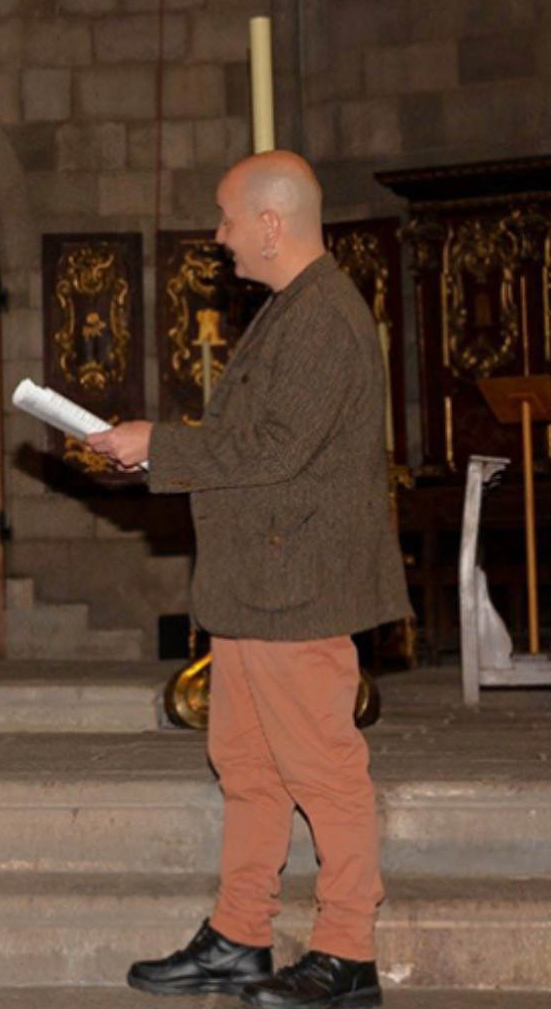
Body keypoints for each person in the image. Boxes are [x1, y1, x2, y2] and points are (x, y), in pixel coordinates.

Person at [89, 152, 408, 1009]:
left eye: (229, 219)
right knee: (249, 766)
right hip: (260, 582)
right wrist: (156, 449)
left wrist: (160, 443)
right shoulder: (292, 308)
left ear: (271, 223)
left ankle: (348, 952)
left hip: (296, 583)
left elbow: (276, 449)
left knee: (322, 770)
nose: (220, 236)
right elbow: (261, 442)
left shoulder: (323, 315)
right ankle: (240, 935)